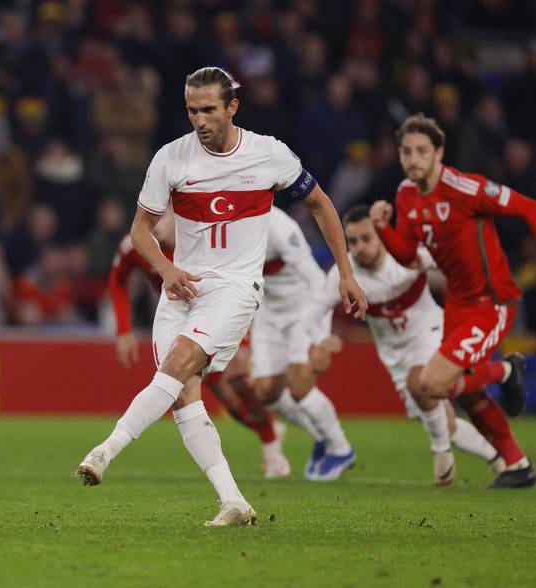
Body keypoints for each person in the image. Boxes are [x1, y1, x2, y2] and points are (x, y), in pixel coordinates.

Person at [76, 66, 368, 527]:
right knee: (183, 398)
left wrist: (346, 273)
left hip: (235, 288)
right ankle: (233, 501)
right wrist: (167, 268)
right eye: (192, 110)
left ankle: (104, 451)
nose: (200, 120)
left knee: (176, 366)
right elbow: (139, 232)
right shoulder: (171, 159)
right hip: (182, 288)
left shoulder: (268, 154)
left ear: (233, 106)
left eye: (209, 109)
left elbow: (321, 205)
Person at [370, 113, 533, 488]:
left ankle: (507, 371)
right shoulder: (406, 196)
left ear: (439, 152)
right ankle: (517, 464)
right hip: (458, 304)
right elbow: (409, 257)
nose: (413, 159)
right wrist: (383, 229)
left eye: (421, 151)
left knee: (432, 384)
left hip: (493, 301)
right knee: (466, 392)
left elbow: (528, 208)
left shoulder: (466, 187)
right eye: (406, 151)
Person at [305, 205, 503, 485]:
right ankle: (501, 460)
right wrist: (320, 340)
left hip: (431, 333)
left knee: (420, 382)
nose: (360, 247)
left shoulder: (408, 256)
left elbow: (454, 262)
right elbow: (312, 312)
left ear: (381, 236)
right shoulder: (346, 274)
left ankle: (441, 452)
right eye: (353, 241)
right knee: (443, 423)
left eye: (366, 238)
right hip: (394, 355)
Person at [108, 207, 290, 479]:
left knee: (240, 378)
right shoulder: (138, 244)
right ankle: (270, 433)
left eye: (163, 216)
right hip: (184, 326)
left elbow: (242, 278)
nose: (155, 225)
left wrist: (247, 338)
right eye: (151, 217)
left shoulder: (202, 241)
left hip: (226, 311)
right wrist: (123, 329)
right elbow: (117, 278)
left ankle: (272, 449)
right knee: (226, 397)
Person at [253, 206, 355, 481]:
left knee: (299, 387)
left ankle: (341, 448)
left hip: (301, 308)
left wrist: (320, 338)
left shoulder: (279, 226)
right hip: (267, 312)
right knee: (266, 391)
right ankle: (322, 434)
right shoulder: (227, 223)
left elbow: (317, 279)